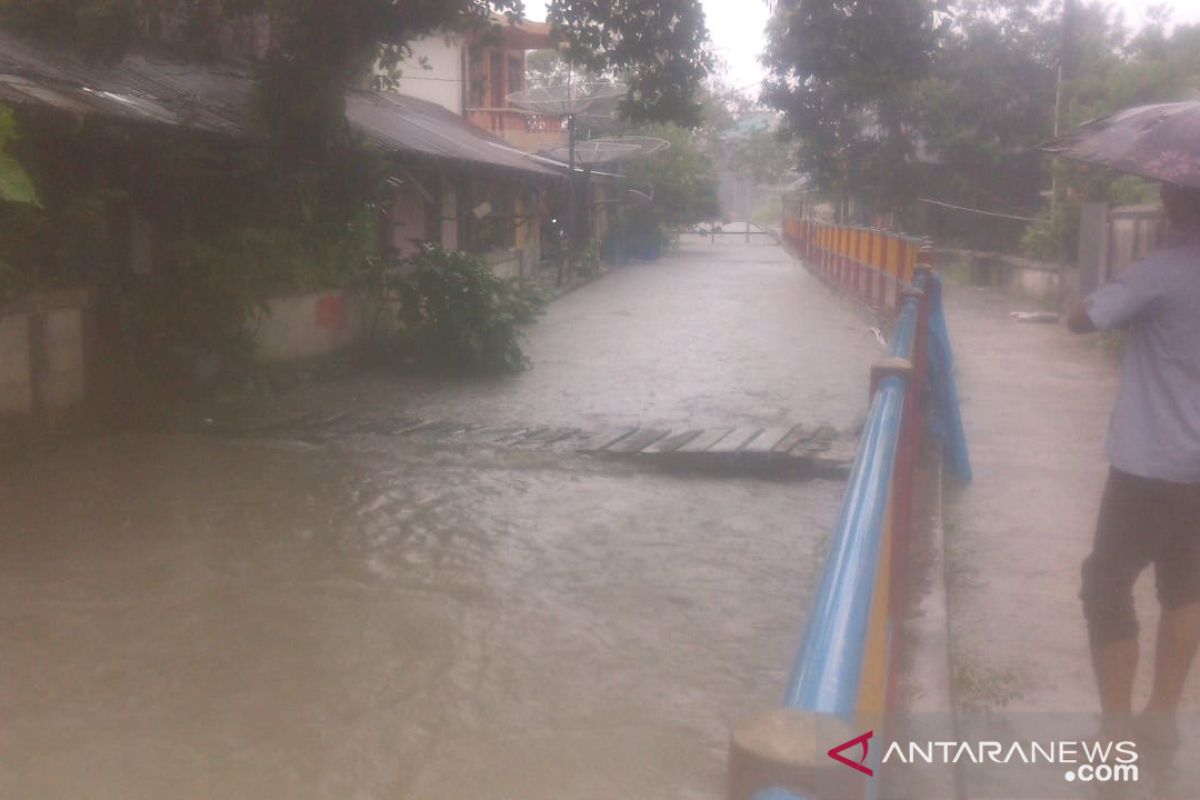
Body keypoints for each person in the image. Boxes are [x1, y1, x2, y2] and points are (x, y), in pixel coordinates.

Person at [1067, 183, 1200, 748]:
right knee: (1188, 587)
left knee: (1106, 583)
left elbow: (1082, 320)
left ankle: (1116, 732)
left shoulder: (1163, 269)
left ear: (1175, 202)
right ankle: (1163, 718)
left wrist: (1121, 285)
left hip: (1149, 464)